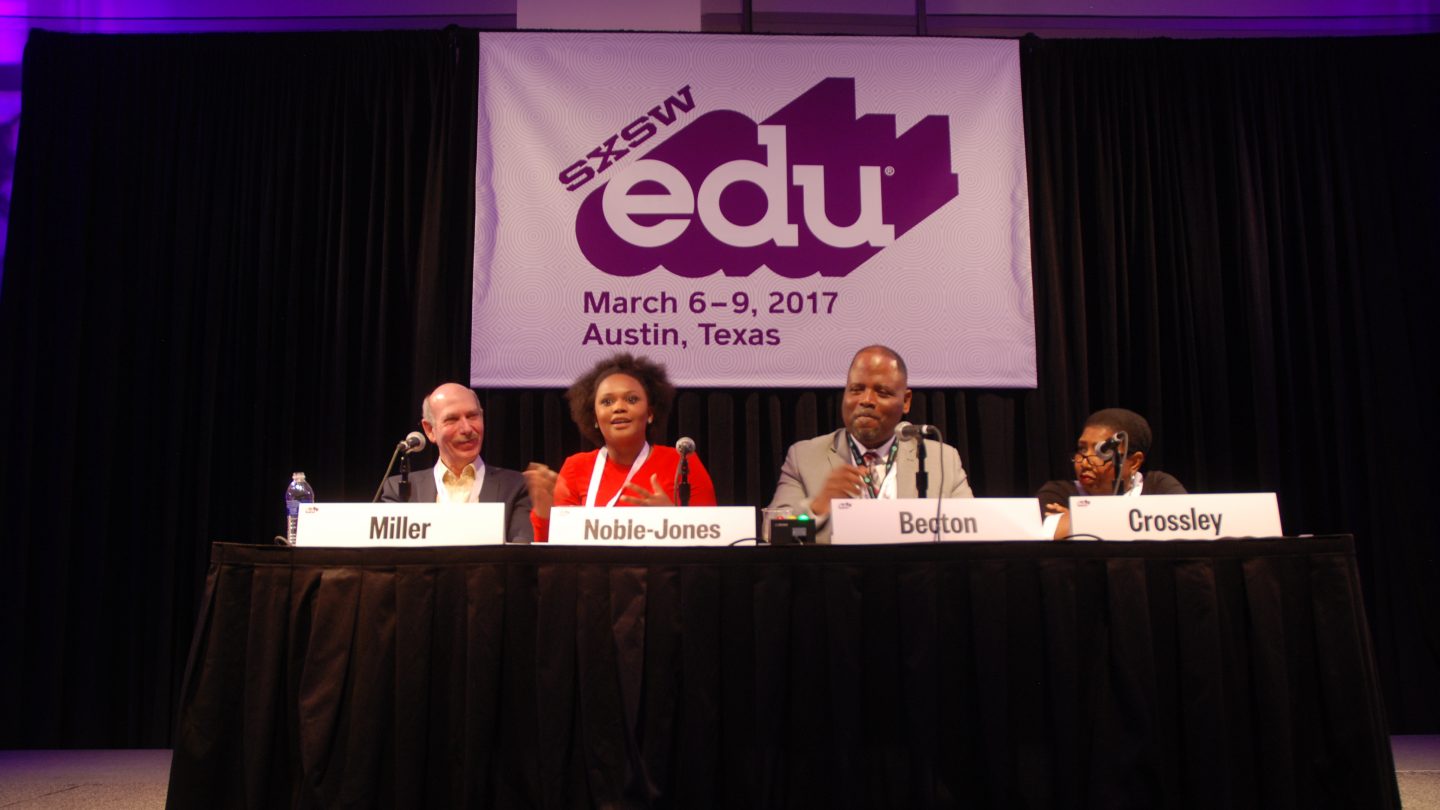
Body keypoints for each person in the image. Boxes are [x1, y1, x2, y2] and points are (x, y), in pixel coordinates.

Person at [767, 345, 973, 543]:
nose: (866, 400)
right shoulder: (804, 457)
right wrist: (818, 508)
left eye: (882, 392)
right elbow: (772, 533)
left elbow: (972, 531)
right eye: (856, 389)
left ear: (906, 400)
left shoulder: (942, 460)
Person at [524, 353, 717, 542]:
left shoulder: (682, 463)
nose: (619, 407)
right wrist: (544, 513)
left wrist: (673, 519)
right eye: (607, 402)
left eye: (631, 399)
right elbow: (554, 554)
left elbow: (712, 542)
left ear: (650, 412)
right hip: (594, 573)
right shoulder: (576, 467)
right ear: (595, 418)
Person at [381, 382, 534, 543]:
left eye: (472, 416)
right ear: (430, 430)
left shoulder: (516, 486)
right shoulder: (399, 490)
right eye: (452, 419)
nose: (467, 428)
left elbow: (521, 557)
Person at [1036, 407, 1187, 539]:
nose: (1084, 462)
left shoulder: (1159, 487)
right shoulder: (1058, 492)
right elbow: (1050, 533)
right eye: (1082, 449)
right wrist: (1141, 521)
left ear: (1134, 462)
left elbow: (1186, 534)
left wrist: (1081, 519)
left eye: (1101, 452)